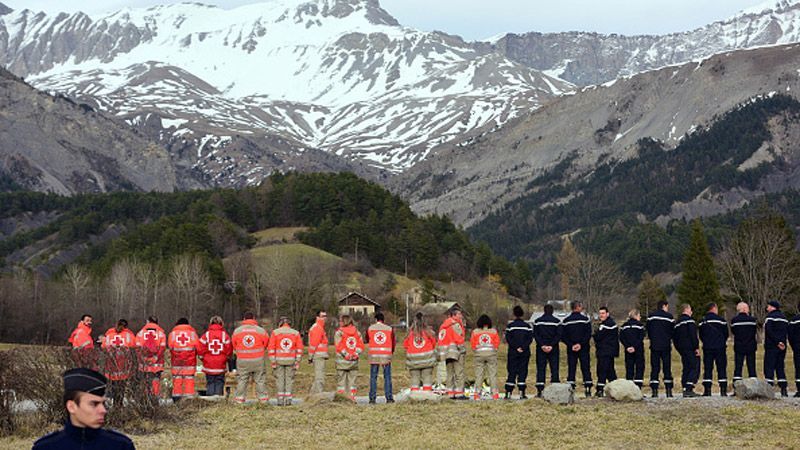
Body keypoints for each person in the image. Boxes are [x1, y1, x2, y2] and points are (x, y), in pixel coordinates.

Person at [32, 368, 135, 450]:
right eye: (94, 404)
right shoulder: (46, 447)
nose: (103, 410)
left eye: (103, 403)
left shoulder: (120, 446)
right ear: (72, 407)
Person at [232, 312, 270, 403]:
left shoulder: (237, 331)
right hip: (258, 360)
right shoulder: (261, 331)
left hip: (242, 360)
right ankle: (263, 399)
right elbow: (266, 343)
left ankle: (239, 400)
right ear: (254, 318)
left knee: (242, 379)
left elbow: (234, 345)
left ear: (244, 319)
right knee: (260, 379)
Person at [268, 316, 303, 406]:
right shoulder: (295, 333)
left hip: (278, 361)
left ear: (280, 323)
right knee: (289, 380)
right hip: (291, 361)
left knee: (280, 380)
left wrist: (273, 361)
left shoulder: (275, 333)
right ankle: (288, 400)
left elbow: (271, 348)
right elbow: (299, 348)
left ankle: (280, 400)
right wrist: (297, 361)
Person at [101, 319, 136, 406]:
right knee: (121, 385)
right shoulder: (129, 335)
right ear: (126, 326)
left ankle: (114, 402)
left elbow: (103, 347)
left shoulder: (109, 335)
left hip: (111, 364)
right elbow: (135, 346)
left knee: (113, 384)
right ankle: (119, 404)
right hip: (123, 364)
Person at [562, 301, 593, 397]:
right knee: (585, 368)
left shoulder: (566, 321)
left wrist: (571, 344)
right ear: (578, 307)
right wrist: (580, 344)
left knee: (571, 368)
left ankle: (571, 389)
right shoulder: (585, 320)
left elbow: (563, 336)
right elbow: (588, 334)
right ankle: (587, 388)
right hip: (583, 348)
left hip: (571, 349)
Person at [197, 316, 233, 397]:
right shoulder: (225, 335)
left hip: (208, 364)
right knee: (219, 382)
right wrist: (226, 358)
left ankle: (210, 401)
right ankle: (218, 401)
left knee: (210, 382)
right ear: (221, 323)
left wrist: (202, 358)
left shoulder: (206, 335)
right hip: (221, 364)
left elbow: (199, 348)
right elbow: (229, 349)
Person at [699, 302, 729, 396]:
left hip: (707, 347)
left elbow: (701, 335)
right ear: (714, 308)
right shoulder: (721, 320)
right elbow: (726, 334)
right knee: (721, 368)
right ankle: (723, 390)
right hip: (720, 347)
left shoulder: (702, 321)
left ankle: (707, 390)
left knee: (708, 368)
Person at [437, 307, 467, 399]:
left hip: (446, 354)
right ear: (454, 315)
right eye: (459, 314)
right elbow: (459, 339)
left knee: (449, 373)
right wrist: (463, 350)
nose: (461, 316)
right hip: (456, 352)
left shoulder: (443, 326)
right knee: (459, 373)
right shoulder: (455, 325)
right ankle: (459, 394)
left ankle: (450, 393)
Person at [646, 300, 674, 398]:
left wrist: (652, 339)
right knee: (667, 368)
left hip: (654, 345)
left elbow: (648, 329)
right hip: (666, 346)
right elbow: (672, 331)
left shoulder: (651, 316)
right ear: (664, 306)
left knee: (655, 368)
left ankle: (654, 390)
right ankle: (668, 390)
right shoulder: (669, 317)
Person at [504, 305, 533, 399]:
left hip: (513, 352)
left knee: (511, 371)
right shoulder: (527, 326)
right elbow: (530, 339)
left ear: (514, 314)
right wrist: (522, 347)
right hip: (524, 352)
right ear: (522, 314)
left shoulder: (510, 326)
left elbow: (508, 339)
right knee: (523, 371)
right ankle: (522, 392)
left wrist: (516, 347)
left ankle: (508, 392)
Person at [403, 313, 437, 393]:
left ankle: (415, 396)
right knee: (427, 378)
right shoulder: (429, 332)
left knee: (415, 379)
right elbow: (433, 343)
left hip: (413, 361)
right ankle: (427, 396)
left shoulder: (409, 333)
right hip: (427, 360)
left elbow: (405, 345)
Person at [366, 312, 395, 404]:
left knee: (373, 378)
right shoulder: (389, 329)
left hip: (374, 356)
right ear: (383, 320)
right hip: (386, 356)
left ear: (375, 319)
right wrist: (391, 352)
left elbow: (367, 339)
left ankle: (372, 398)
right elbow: (393, 342)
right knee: (387, 377)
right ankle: (389, 398)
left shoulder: (370, 328)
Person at [533, 303, 561, 397]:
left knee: (541, 369)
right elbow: (558, 335)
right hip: (554, 349)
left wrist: (542, 345)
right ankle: (555, 390)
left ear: (544, 311)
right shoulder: (557, 322)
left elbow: (535, 334)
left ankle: (540, 391)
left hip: (541, 349)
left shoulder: (537, 321)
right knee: (554, 368)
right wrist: (551, 345)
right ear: (552, 311)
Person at [168, 318, 199, 401]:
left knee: (177, 380)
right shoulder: (193, 333)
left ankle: (176, 399)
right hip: (190, 361)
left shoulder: (173, 334)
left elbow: (170, 347)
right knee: (189, 380)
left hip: (176, 361)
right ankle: (188, 400)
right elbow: (197, 347)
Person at [334, 314, 364, 400]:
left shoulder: (339, 333)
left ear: (344, 322)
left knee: (341, 383)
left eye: (340, 321)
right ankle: (352, 398)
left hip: (342, 362)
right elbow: (361, 346)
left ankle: (342, 398)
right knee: (352, 382)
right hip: (353, 362)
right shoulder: (357, 333)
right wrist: (355, 354)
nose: (339, 322)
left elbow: (339, 346)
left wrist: (346, 355)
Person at [135, 316, 166, 397]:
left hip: (144, 364)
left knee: (145, 382)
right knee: (156, 381)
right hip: (157, 364)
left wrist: (142, 359)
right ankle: (155, 398)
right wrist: (155, 358)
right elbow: (162, 348)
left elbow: (137, 349)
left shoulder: (140, 333)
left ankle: (145, 400)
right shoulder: (161, 333)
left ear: (148, 322)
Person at [471, 314, 501, 400]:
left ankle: (477, 394)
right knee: (492, 374)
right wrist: (494, 350)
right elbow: (497, 343)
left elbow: (473, 345)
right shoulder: (493, 331)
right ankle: (495, 394)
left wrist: (476, 351)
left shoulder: (475, 332)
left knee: (479, 375)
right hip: (491, 354)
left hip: (479, 355)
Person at [674, 304, 700, 398]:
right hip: (690, 347)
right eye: (690, 309)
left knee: (686, 367)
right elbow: (693, 335)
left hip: (682, 349)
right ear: (686, 309)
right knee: (694, 366)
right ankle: (689, 387)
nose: (691, 311)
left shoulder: (677, 323)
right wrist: (696, 347)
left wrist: (678, 348)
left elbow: (675, 338)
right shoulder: (690, 321)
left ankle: (684, 386)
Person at [764, 300, 789, 397]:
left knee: (769, 367)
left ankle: (769, 389)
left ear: (773, 307)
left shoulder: (770, 317)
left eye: (768, 306)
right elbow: (786, 331)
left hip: (772, 346)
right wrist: (782, 342)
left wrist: (776, 342)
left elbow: (769, 331)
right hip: (782, 346)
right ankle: (783, 389)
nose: (767, 308)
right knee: (780, 367)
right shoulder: (784, 318)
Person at [593, 306, 619, 397]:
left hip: (604, 352)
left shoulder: (605, 325)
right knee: (610, 371)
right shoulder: (612, 324)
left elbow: (598, 337)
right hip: (610, 352)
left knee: (602, 370)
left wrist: (596, 334)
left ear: (607, 314)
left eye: (603, 313)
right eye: (600, 314)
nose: (601, 315)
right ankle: (616, 389)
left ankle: (600, 390)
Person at [730, 301, 758, 383]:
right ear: (745, 309)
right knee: (751, 366)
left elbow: (733, 332)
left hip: (739, 345)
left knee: (738, 367)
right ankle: (754, 386)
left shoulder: (734, 321)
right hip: (750, 345)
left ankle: (736, 386)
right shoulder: (752, 320)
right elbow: (754, 331)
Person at [620, 309, 645, 389]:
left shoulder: (624, 326)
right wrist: (634, 346)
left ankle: (629, 388)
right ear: (636, 315)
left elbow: (621, 338)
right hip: (638, 350)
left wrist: (627, 346)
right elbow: (641, 337)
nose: (640, 317)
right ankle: (638, 388)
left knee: (629, 368)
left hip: (628, 351)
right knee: (639, 368)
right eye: (639, 315)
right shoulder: (640, 326)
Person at [307, 310, 329, 394]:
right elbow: (314, 344)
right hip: (318, 355)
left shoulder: (319, 327)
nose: (325, 318)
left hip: (319, 355)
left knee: (319, 377)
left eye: (325, 316)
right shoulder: (317, 328)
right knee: (320, 378)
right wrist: (310, 356)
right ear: (317, 317)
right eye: (322, 316)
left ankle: (312, 396)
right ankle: (318, 396)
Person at [790, 302, 800, 397]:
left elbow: (790, 335)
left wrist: (794, 346)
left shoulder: (794, 320)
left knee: (798, 368)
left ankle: (799, 389)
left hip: (798, 348)